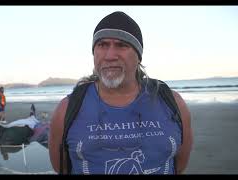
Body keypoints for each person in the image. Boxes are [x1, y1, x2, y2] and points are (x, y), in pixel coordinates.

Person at [49, 11, 193, 174]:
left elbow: (178, 164)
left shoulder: (172, 102)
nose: (110, 56)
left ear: (138, 56)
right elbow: (61, 167)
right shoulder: (67, 109)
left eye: (121, 45)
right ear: (94, 53)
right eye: (102, 45)